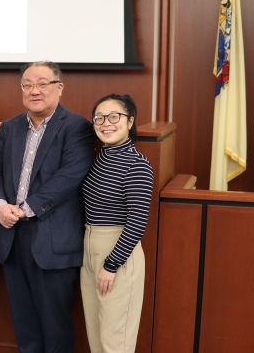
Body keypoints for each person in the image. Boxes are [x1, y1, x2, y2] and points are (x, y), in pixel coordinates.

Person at [0, 60, 95, 353]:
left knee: (54, 324)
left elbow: (70, 175)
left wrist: (25, 208)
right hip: (11, 237)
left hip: (53, 241)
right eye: (28, 85)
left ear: (59, 88)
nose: (35, 90)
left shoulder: (77, 127)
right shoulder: (9, 127)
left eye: (42, 83)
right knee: (25, 323)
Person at [80, 94, 153, 353]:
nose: (106, 123)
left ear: (130, 121)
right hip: (89, 250)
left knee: (116, 342)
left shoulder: (137, 165)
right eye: (99, 117)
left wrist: (111, 265)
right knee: (96, 336)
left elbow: (137, 222)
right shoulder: (101, 157)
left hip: (117, 255)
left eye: (115, 117)